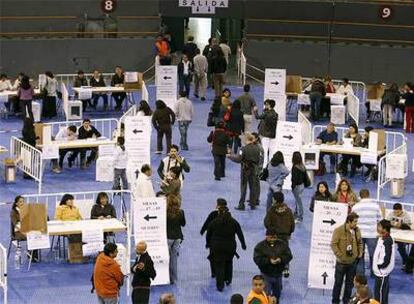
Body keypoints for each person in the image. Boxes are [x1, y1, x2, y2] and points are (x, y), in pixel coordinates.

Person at [206, 206, 246, 291]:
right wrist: (243, 244)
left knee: (219, 265)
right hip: (230, 247)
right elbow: (240, 233)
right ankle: (228, 280)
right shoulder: (234, 222)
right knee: (229, 262)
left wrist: (208, 243)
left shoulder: (214, 222)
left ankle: (220, 286)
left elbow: (208, 233)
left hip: (217, 247)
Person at [331, 212, 363, 304]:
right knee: (338, 284)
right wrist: (341, 256)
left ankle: (346, 302)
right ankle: (335, 302)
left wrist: (360, 252)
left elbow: (360, 242)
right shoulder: (339, 230)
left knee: (349, 285)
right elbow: (333, 244)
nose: (356, 224)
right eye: (355, 222)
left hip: (353, 262)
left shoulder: (357, 230)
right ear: (349, 221)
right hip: (341, 263)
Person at [253, 229, 293, 303]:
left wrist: (281, 259)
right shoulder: (260, 246)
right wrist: (269, 261)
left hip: (278, 275)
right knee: (266, 295)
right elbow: (257, 259)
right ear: (266, 236)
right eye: (270, 237)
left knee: (277, 295)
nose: (272, 239)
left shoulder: (282, 244)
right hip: (266, 275)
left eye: (274, 237)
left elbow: (289, 256)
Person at [264, 192, 295, 277]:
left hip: (274, 236)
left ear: (274, 199)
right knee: (285, 252)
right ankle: (285, 268)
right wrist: (289, 233)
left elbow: (266, 223)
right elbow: (292, 224)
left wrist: (271, 230)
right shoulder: (288, 211)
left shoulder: (271, 210)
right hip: (285, 236)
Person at [352, 189, 382, 276]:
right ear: (369, 195)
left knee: (359, 255)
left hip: (359, 234)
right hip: (372, 234)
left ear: (360, 196)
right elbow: (380, 220)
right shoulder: (376, 206)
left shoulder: (355, 207)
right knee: (373, 255)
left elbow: (352, 220)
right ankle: (374, 272)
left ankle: (360, 275)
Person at [228, 134, 261, 210]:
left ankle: (241, 205)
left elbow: (238, 159)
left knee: (243, 187)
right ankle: (253, 204)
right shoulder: (257, 148)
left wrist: (230, 156)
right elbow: (258, 160)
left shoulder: (243, 149)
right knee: (252, 187)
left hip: (245, 170)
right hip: (253, 169)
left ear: (246, 140)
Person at [200, 198, 228, 278]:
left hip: (213, 241)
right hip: (224, 240)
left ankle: (214, 272)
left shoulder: (213, 214)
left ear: (218, 205)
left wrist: (202, 231)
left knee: (212, 256)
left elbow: (207, 223)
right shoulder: (228, 215)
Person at [10, 196, 39, 261]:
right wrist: (23, 232)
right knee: (31, 236)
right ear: (16, 203)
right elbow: (15, 225)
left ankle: (34, 255)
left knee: (36, 235)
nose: (22, 203)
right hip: (18, 232)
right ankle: (31, 256)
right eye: (20, 202)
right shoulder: (13, 212)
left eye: (23, 201)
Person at [373, 220, 395, 304]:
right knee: (378, 292)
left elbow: (387, 257)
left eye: (379, 226)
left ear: (385, 229)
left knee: (381, 294)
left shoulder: (387, 240)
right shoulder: (383, 237)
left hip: (382, 272)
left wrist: (380, 266)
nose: (377, 228)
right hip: (380, 271)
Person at [166, 194, 186, 284]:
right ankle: (173, 278)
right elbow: (183, 224)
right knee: (174, 259)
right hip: (177, 238)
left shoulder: (165, 212)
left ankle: (167, 276)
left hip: (168, 238)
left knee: (167, 258)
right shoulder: (181, 212)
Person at [254, 99, 278, 168]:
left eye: (267, 104)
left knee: (264, 152)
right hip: (273, 135)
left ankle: (264, 168)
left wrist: (255, 111)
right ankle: (270, 168)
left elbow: (257, 117)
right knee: (271, 153)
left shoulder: (266, 114)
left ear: (269, 105)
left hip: (266, 136)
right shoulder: (276, 114)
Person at [291, 151, 308, 223]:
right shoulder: (302, 166)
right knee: (297, 201)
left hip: (297, 186)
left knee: (298, 202)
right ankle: (296, 213)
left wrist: (293, 187)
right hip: (302, 185)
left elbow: (294, 179)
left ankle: (300, 217)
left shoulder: (295, 167)